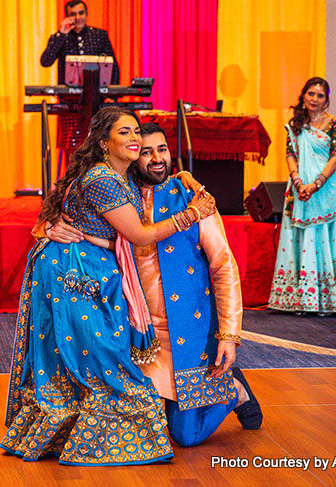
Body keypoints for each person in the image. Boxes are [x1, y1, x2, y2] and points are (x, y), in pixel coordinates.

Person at [1, 107, 216, 465]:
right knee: (99, 359)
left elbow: (115, 216)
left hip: (90, 267)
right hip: (76, 273)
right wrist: (191, 214)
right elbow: (140, 235)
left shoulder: (121, 175)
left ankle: (62, 437)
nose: (135, 139)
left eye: (136, 132)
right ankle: (98, 439)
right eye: (124, 133)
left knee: (79, 359)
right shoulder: (103, 180)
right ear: (103, 143)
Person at [45, 121, 262, 448]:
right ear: (131, 156)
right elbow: (64, 207)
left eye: (162, 149)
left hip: (189, 334)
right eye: (146, 152)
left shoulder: (191, 197)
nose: (157, 158)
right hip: (136, 336)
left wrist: (229, 335)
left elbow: (223, 266)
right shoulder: (116, 195)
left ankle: (234, 390)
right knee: (131, 428)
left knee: (186, 436)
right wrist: (51, 225)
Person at [268, 77, 336, 315]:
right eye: (311, 94)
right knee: (302, 238)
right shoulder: (295, 123)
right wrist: (298, 181)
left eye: (320, 95)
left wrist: (316, 184)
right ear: (303, 95)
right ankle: (301, 300)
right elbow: (289, 153)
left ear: (327, 100)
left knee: (325, 238)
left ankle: (329, 301)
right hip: (300, 189)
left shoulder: (334, 123)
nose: (315, 99)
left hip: (326, 190)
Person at [40, 0, 121, 167]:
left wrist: (113, 96)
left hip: (98, 102)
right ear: (67, 17)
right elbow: (46, 61)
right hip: (70, 103)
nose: (78, 17)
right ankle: (71, 185)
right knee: (71, 147)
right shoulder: (61, 37)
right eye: (73, 14)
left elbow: (113, 67)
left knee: (100, 145)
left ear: (86, 14)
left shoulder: (99, 35)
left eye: (81, 13)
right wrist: (61, 34)